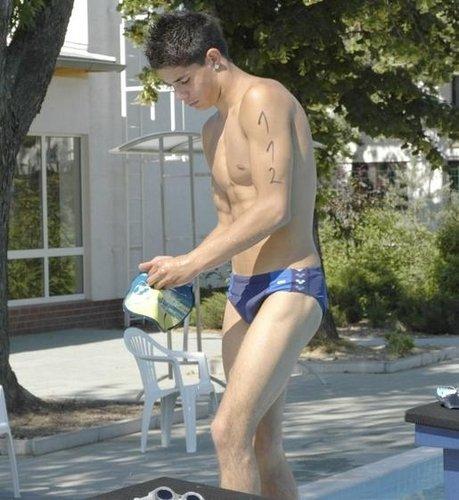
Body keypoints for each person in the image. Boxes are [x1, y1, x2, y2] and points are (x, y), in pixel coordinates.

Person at [139, 10, 329, 500]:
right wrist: (180, 268)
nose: (181, 95)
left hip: (290, 283)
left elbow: (274, 207)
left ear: (214, 59)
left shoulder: (265, 98)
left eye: (184, 81)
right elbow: (231, 223)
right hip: (242, 291)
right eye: (171, 87)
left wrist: (192, 263)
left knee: (227, 431)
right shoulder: (212, 132)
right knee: (263, 447)